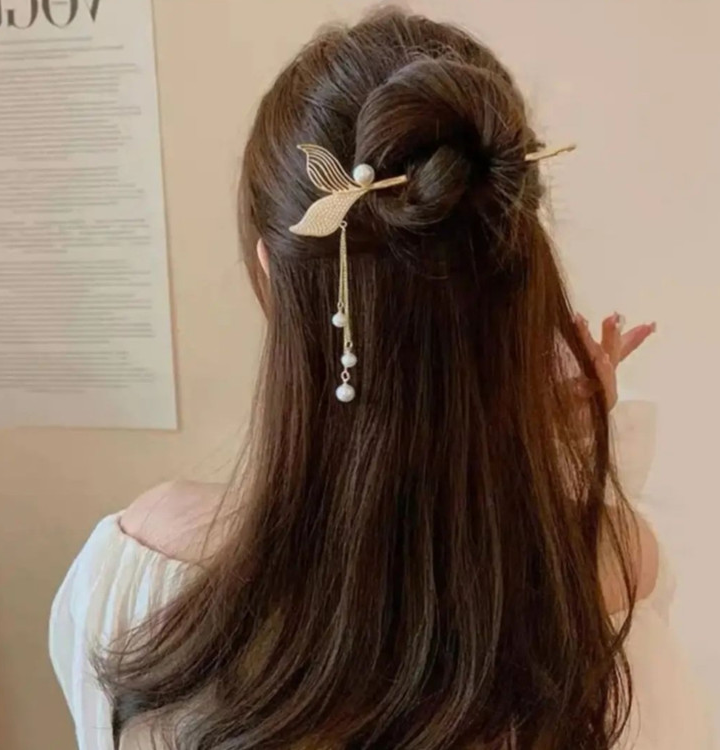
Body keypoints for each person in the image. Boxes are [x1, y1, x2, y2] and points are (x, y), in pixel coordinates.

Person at [49, 8, 712, 749]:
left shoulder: (132, 577)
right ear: (516, 284)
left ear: (272, 278)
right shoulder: (609, 585)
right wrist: (569, 453)